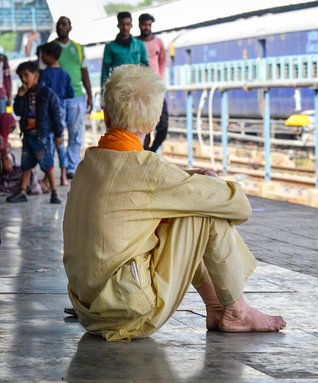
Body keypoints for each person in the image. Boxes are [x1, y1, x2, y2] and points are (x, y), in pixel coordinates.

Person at [63, 64, 286, 342]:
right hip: (128, 314)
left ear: (106, 115)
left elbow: (149, 187)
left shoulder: (89, 163)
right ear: (154, 122)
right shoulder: (149, 170)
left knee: (186, 203)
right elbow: (240, 206)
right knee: (204, 210)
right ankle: (237, 312)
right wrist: (212, 183)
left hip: (90, 312)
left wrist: (194, 181)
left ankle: (218, 307)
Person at [7, 61, 63, 204]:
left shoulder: (47, 93)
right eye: (21, 77)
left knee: (47, 164)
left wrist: (58, 134)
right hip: (28, 136)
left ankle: (54, 193)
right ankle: (22, 192)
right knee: (26, 164)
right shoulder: (23, 94)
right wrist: (19, 96)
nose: (24, 79)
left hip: (41, 136)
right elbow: (18, 112)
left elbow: (56, 115)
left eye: (27, 75)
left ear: (36, 76)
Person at [54, 16, 93, 179]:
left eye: (64, 24)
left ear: (70, 28)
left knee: (76, 133)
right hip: (56, 99)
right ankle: (63, 164)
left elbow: (84, 73)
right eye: (59, 24)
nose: (61, 27)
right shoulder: (50, 48)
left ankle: (71, 167)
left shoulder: (78, 48)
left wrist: (89, 95)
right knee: (57, 134)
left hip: (77, 97)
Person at [40, 42, 75, 187]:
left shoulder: (45, 73)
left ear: (50, 56)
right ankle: (63, 178)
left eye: (43, 55)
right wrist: (60, 97)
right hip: (61, 108)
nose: (41, 58)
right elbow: (71, 93)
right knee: (60, 141)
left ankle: (47, 178)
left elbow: (41, 92)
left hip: (48, 111)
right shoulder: (65, 74)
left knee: (48, 144)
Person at [137, 13, 168, 153]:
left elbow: (162, 61)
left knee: (163, 124)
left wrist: (159, 79)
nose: (146, 27)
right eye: (144, 24)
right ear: (139, 25)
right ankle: (145, 152)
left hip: (156, 88)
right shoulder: (135, 42)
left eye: (149, 25)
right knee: (144, 126)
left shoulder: (158, 42)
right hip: (141, 88)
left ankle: (152, 150)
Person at [101, 12, 148, 90]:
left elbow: (147, 69)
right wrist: (103, 95)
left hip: (137, 89)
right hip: (118, 90)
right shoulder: (110, 47)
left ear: (131, 25)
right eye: (122, 24)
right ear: (118, 25)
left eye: (127, 24)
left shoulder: (140, 45)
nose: (125, 27)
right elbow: (105, 74)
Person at [0, 113, 42, 196]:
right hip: (4, 178)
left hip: (7, 174)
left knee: (28, 170)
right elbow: (7, 167)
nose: (11, 131)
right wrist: (5, 152)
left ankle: (39, 185)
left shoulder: (3, 140)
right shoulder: (1, 143)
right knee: (29, 173)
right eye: (11, 128)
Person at [0, 47, 12, 114]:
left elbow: (7, 79)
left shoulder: (3, 59)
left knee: (2, 119)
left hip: (1, 95)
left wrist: (9, 96)